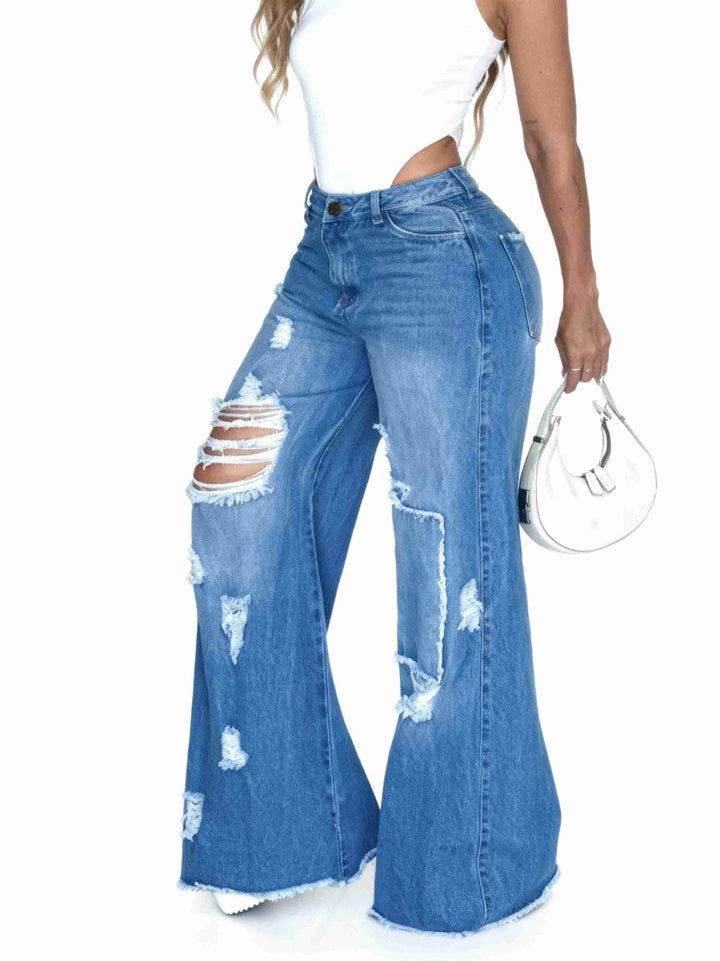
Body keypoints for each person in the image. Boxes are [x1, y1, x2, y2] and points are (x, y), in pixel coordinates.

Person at [178, 0, 611, 936]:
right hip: (325, 254)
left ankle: (474, 864)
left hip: (444, 264)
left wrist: (584, 294)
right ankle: (284, 831)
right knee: (235, 506)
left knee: (447, 568)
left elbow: (551, 139)